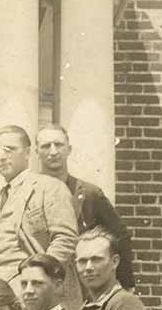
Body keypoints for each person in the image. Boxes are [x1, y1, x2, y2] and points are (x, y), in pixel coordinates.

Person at [0, 126, 78, 286]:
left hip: (36, 291)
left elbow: (66, 240)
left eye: (9, 150)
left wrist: (37, 278)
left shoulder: (50, 187)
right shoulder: (1, 198)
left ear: (28, 153)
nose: (2, 157)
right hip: (0, 291)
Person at [36, 124, 134, 290]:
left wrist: (126, 282)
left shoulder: (89, 194)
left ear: (69, 149)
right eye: (46, 146)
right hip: (41, 283)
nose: (53, 152)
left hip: (82, 284)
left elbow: (120, 236)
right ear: (36, 152)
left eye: (58, 145)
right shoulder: (26, 193)